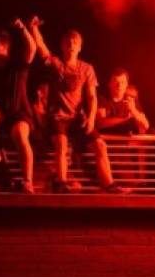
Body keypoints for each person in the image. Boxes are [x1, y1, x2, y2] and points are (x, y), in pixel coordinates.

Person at [28, 17, 126, 194]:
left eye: (74, 43)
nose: (71, 45)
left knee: (100, 145)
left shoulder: (87, 69)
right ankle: (61, 182)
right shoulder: (57, 65)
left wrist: (90, 120)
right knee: (62, 143)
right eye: (67, 43)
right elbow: (42, 49)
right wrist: (34, 28)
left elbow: (92, 97)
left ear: (80, 47)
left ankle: (108, 184)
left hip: (78, 118)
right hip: (59, 117)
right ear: (63, 46)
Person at [0, 21, 37, 193]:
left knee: (19, 134)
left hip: (19, 114)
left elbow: (32, 48)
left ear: (6, 48)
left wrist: (23, 29)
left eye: (0, 48)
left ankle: (27, 181)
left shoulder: (17, 65)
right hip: (1, 116)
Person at [96, 69, 150, 185]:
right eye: (115, 81)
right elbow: (100, 123)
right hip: (105, 149)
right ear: (109, 84)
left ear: (126, 85)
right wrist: (124, 119)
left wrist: (134, 111)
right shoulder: (102, 99)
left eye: (122, 82)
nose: (119, 85)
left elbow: (145, 125)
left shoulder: (131, 100)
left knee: (127, 187)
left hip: (124, 153)